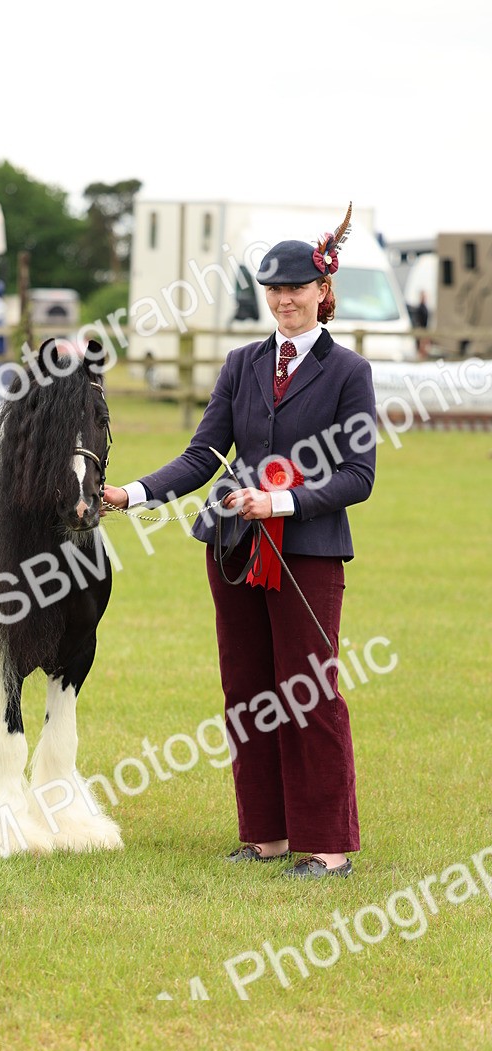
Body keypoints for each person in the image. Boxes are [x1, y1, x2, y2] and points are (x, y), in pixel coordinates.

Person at [103, 204, 376, 879]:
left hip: (307, 551)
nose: (285, 299)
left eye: (297, 288)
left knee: (307, 689)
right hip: (230, 547)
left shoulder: (348, 373)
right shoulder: (241, 364)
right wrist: (130, 494)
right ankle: (266, 835)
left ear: (323, 291)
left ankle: (328, 847)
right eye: (274, 289)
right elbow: (202, 457)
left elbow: (358, 475)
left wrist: (279, 500)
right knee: (248, 690)